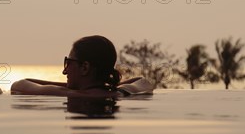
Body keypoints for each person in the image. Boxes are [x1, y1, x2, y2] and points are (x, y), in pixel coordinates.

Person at [11, 35, 153, 96]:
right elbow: (144, 82)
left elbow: (18, 85)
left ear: (84, 67)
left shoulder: (69, 94)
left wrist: (69, 87)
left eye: (69, 63)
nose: (65, 71)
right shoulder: (120, 93)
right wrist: (106, 84)